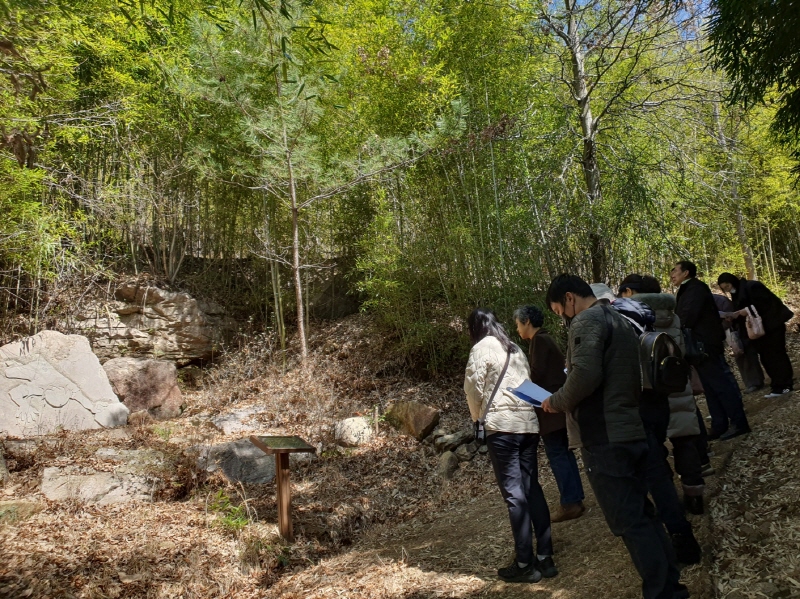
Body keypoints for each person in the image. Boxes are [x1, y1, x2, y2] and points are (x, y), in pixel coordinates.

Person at [541, 275, 688, 599]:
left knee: (630, 522)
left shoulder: (586, 321)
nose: (561, 318)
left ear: (569, 299)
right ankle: (671, 586)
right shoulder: (620, 319)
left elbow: (584, 376)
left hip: (605, 436)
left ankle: (662, 592)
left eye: (557, 310)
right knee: (644, 516)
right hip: (631, 427)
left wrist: (556, 401)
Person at [464, 308, 556, 583]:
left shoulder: (482, 347)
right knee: (531, 489)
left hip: (502, 428)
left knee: (515, 495)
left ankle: (525, 563)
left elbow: (473, 388)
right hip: (527, 425)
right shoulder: (514, 347)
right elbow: (526, 384)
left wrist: (478, 418)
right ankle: (545, 557)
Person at [616, 274, 702, 565]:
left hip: (648, 393)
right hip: (675, 387)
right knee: (686, 441)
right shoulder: (668, 314)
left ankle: (676, 528)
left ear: (629, 291)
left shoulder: (626, 316)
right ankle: (694, 495)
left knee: (655, 465)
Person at [513, 305, 586, 522]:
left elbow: (537, 374)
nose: (517, 329)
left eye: (518, 324)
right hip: (556, 406)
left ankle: (571, 502)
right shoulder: (545, 339)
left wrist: (519, 385)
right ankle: (575, 498)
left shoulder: (540, 341)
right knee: (563, 452)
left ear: (527, 321)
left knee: (557, 453)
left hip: (550, 408)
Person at [671, 261, 750, 441]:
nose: (672, 274)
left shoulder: (696, 288)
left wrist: (675, 327)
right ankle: (719, 424)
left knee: (720, 384)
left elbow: (687, 316)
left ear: (686, 273)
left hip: (705, 344)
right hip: (699, 345)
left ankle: (739, 422)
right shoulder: (688, 289)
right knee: (710, 387)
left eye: (675, 270)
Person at [717, 272, 795, 398]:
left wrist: (745, 311)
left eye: (728, 286)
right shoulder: (737, 293)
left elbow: (765, 305)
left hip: (772, 326)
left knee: (777, 355)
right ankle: (777, 385)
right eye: (725, 289)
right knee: (766, 357)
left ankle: (786, 384)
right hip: (758, 330)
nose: (728, 289)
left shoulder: (752, 286)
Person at [712, 291, 765, 393]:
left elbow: (731, 316)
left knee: (746, 355)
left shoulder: (720, 300)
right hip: (729, 333)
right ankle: (751, 383)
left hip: (737, 331)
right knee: (740, 357)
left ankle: (755, 382)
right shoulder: (711, 301)